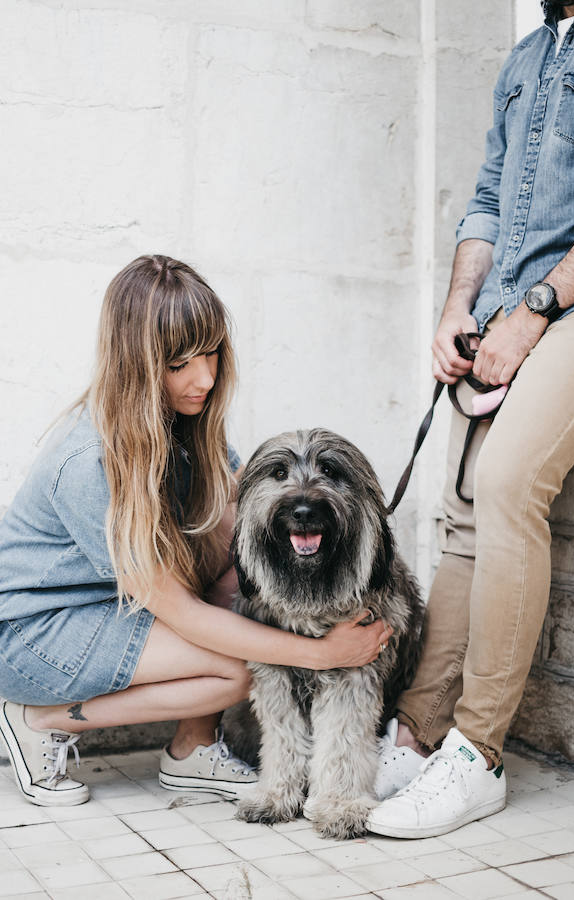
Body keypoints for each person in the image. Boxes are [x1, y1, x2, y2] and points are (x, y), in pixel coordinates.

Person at [0, 254, 393, 807]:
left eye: (210, 352)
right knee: (237, 669)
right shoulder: (90, 462)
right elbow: (184, 614)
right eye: (180, 361)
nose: (205, 378)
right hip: (32, 634)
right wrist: (323, 654)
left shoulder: (186, 424)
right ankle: (40, 719)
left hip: (111, 612)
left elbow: (246, 524)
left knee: (242, 547)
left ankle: (192, 749)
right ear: (135, 363)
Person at [369, 0, 574, 839]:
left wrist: (534, 312)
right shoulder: (526, 57)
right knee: (460, 511)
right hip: (509, 304)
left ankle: (479, 756)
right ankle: (419, 734)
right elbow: (490, 198)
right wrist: (458, 309)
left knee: (506, 486)